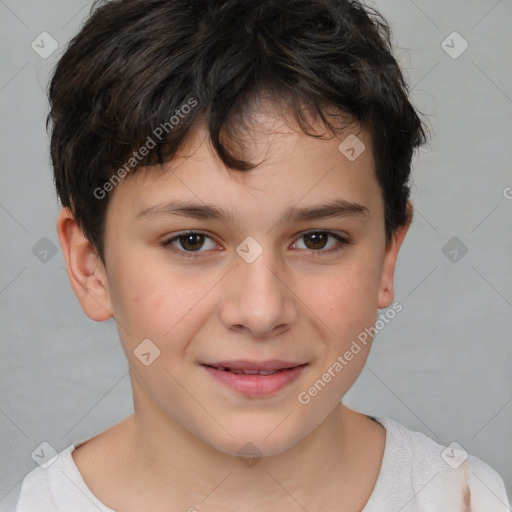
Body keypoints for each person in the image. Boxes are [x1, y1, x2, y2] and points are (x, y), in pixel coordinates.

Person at [15, 0, 510, 510]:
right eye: (191, 241)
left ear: (387, 256)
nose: (260, 311)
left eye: (318, 239)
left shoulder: (468, 499)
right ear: (89, 265)